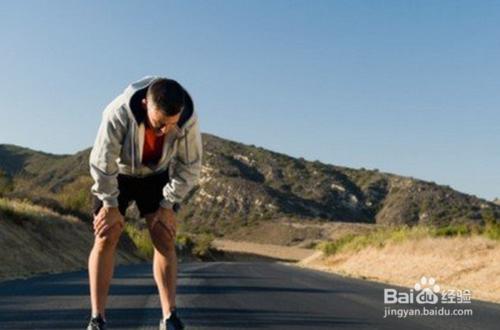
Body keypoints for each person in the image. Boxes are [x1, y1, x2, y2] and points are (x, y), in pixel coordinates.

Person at [86, 76, 202, 330]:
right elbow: (101, 162)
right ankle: (97, 319)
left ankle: (169, 317)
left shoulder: (186, 118)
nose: (165, 131)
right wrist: (110, 204)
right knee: (106, 234)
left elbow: (190, 167)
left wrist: (167, 206)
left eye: (171, 125)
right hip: (118, 173)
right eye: (160, 124)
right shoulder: (117, 112)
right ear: (144, 104)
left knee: (164, 235)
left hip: (156, 174)